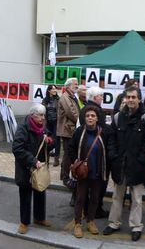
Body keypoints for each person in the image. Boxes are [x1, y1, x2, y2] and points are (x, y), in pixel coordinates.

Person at [103, 86, 145, 242]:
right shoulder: (118, 117)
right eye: (128, 97)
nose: (131, 100)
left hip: (137, 165)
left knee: (137, 198)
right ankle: (114, 223)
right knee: (117, 196)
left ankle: (136, 226)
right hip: (120, 164)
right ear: (124, 98)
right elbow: (111, 138)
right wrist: (113, 155)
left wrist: (141, 160)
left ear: (139, 98)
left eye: (134, 97)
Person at [12, 104, 54, 234]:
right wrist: (33, 161)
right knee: (25, 195)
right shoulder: (23, 128)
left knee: (40, 192)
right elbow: (17, 149)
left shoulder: (44, 127)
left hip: (39, 167)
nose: (43, 118)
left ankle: (39, 218)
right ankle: (24, 222)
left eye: (44, 115)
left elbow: (51, 142)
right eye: (40, 115)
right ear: (32, 115)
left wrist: (50, 142)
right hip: (25, 168)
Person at [68, 105, 109, 237]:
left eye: (93, 116)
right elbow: (71, 148)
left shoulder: (103, 132)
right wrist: (75, 162)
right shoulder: (79, 131)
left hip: (97, 171)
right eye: (87, 116)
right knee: (80, 198)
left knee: (95, 198)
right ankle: (78, 223)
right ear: (84, 118)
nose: (90, 118)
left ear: (97, 118)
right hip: (82, 173)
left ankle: (90, 220)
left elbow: (108, 150)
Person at [57, 78, 80, 206]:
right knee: (68, 156)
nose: (77, 86)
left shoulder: (72, 96)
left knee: (70, 156)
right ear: (68, 86)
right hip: (67, 131)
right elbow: (72, 113)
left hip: (70, 130)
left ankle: (68, 178)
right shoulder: (65, 97)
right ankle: (66, 178)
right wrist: (82, 120)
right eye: (75, 84)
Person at [42, 85, 60, 167]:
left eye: (55, 88)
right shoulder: (45, 100)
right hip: (48, 122)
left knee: (56, 140)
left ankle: (56, 159)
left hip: (56, 122)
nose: (54, 90)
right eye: (52, 89)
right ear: (49, 90)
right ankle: (47, 159)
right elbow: (42, 111)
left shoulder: (58, 99)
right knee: (47, 140)